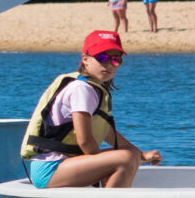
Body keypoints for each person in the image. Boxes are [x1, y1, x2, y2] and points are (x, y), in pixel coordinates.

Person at [18, 30, 162, 188]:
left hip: (66, 164)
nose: (108, 64)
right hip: (49, 169)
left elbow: (106, 131)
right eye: (102, 58)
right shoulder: (82, 89)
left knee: (129, 154)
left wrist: (139, 155)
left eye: (116, 60)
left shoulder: (91, 88)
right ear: (85, 60)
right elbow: (84, 140)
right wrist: (104, 164)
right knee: (125, 158)